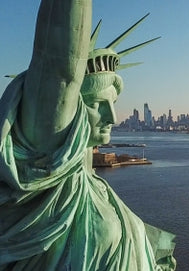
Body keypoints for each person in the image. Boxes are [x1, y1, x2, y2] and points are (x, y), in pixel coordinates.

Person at [0, 0, 175, 270]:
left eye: (113, 104)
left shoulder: (97, 188)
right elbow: (62, 69)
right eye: (96, 104)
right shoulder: (50, 180)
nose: (113, 118)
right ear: (70, 111)